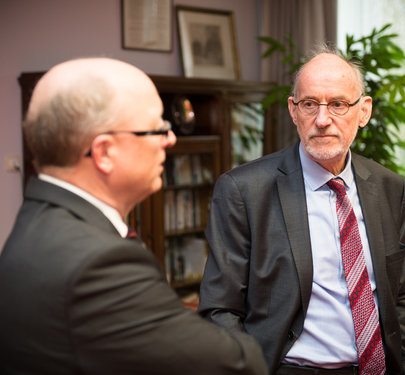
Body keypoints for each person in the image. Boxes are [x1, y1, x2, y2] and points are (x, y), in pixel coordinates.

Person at [0, 57, 268, 375]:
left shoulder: (37, 218)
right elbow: (236, 365)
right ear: (104, 152)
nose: (170, 139)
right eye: (156, 128)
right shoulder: (99, 264)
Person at [198, 46, 405, 375]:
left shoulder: (389, 188)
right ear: (293, 110)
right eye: (309, 104)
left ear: (364, 111)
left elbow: (399, 297)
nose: (322, 119)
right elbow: (220, 309)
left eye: (338, 105)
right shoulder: (244, 191)